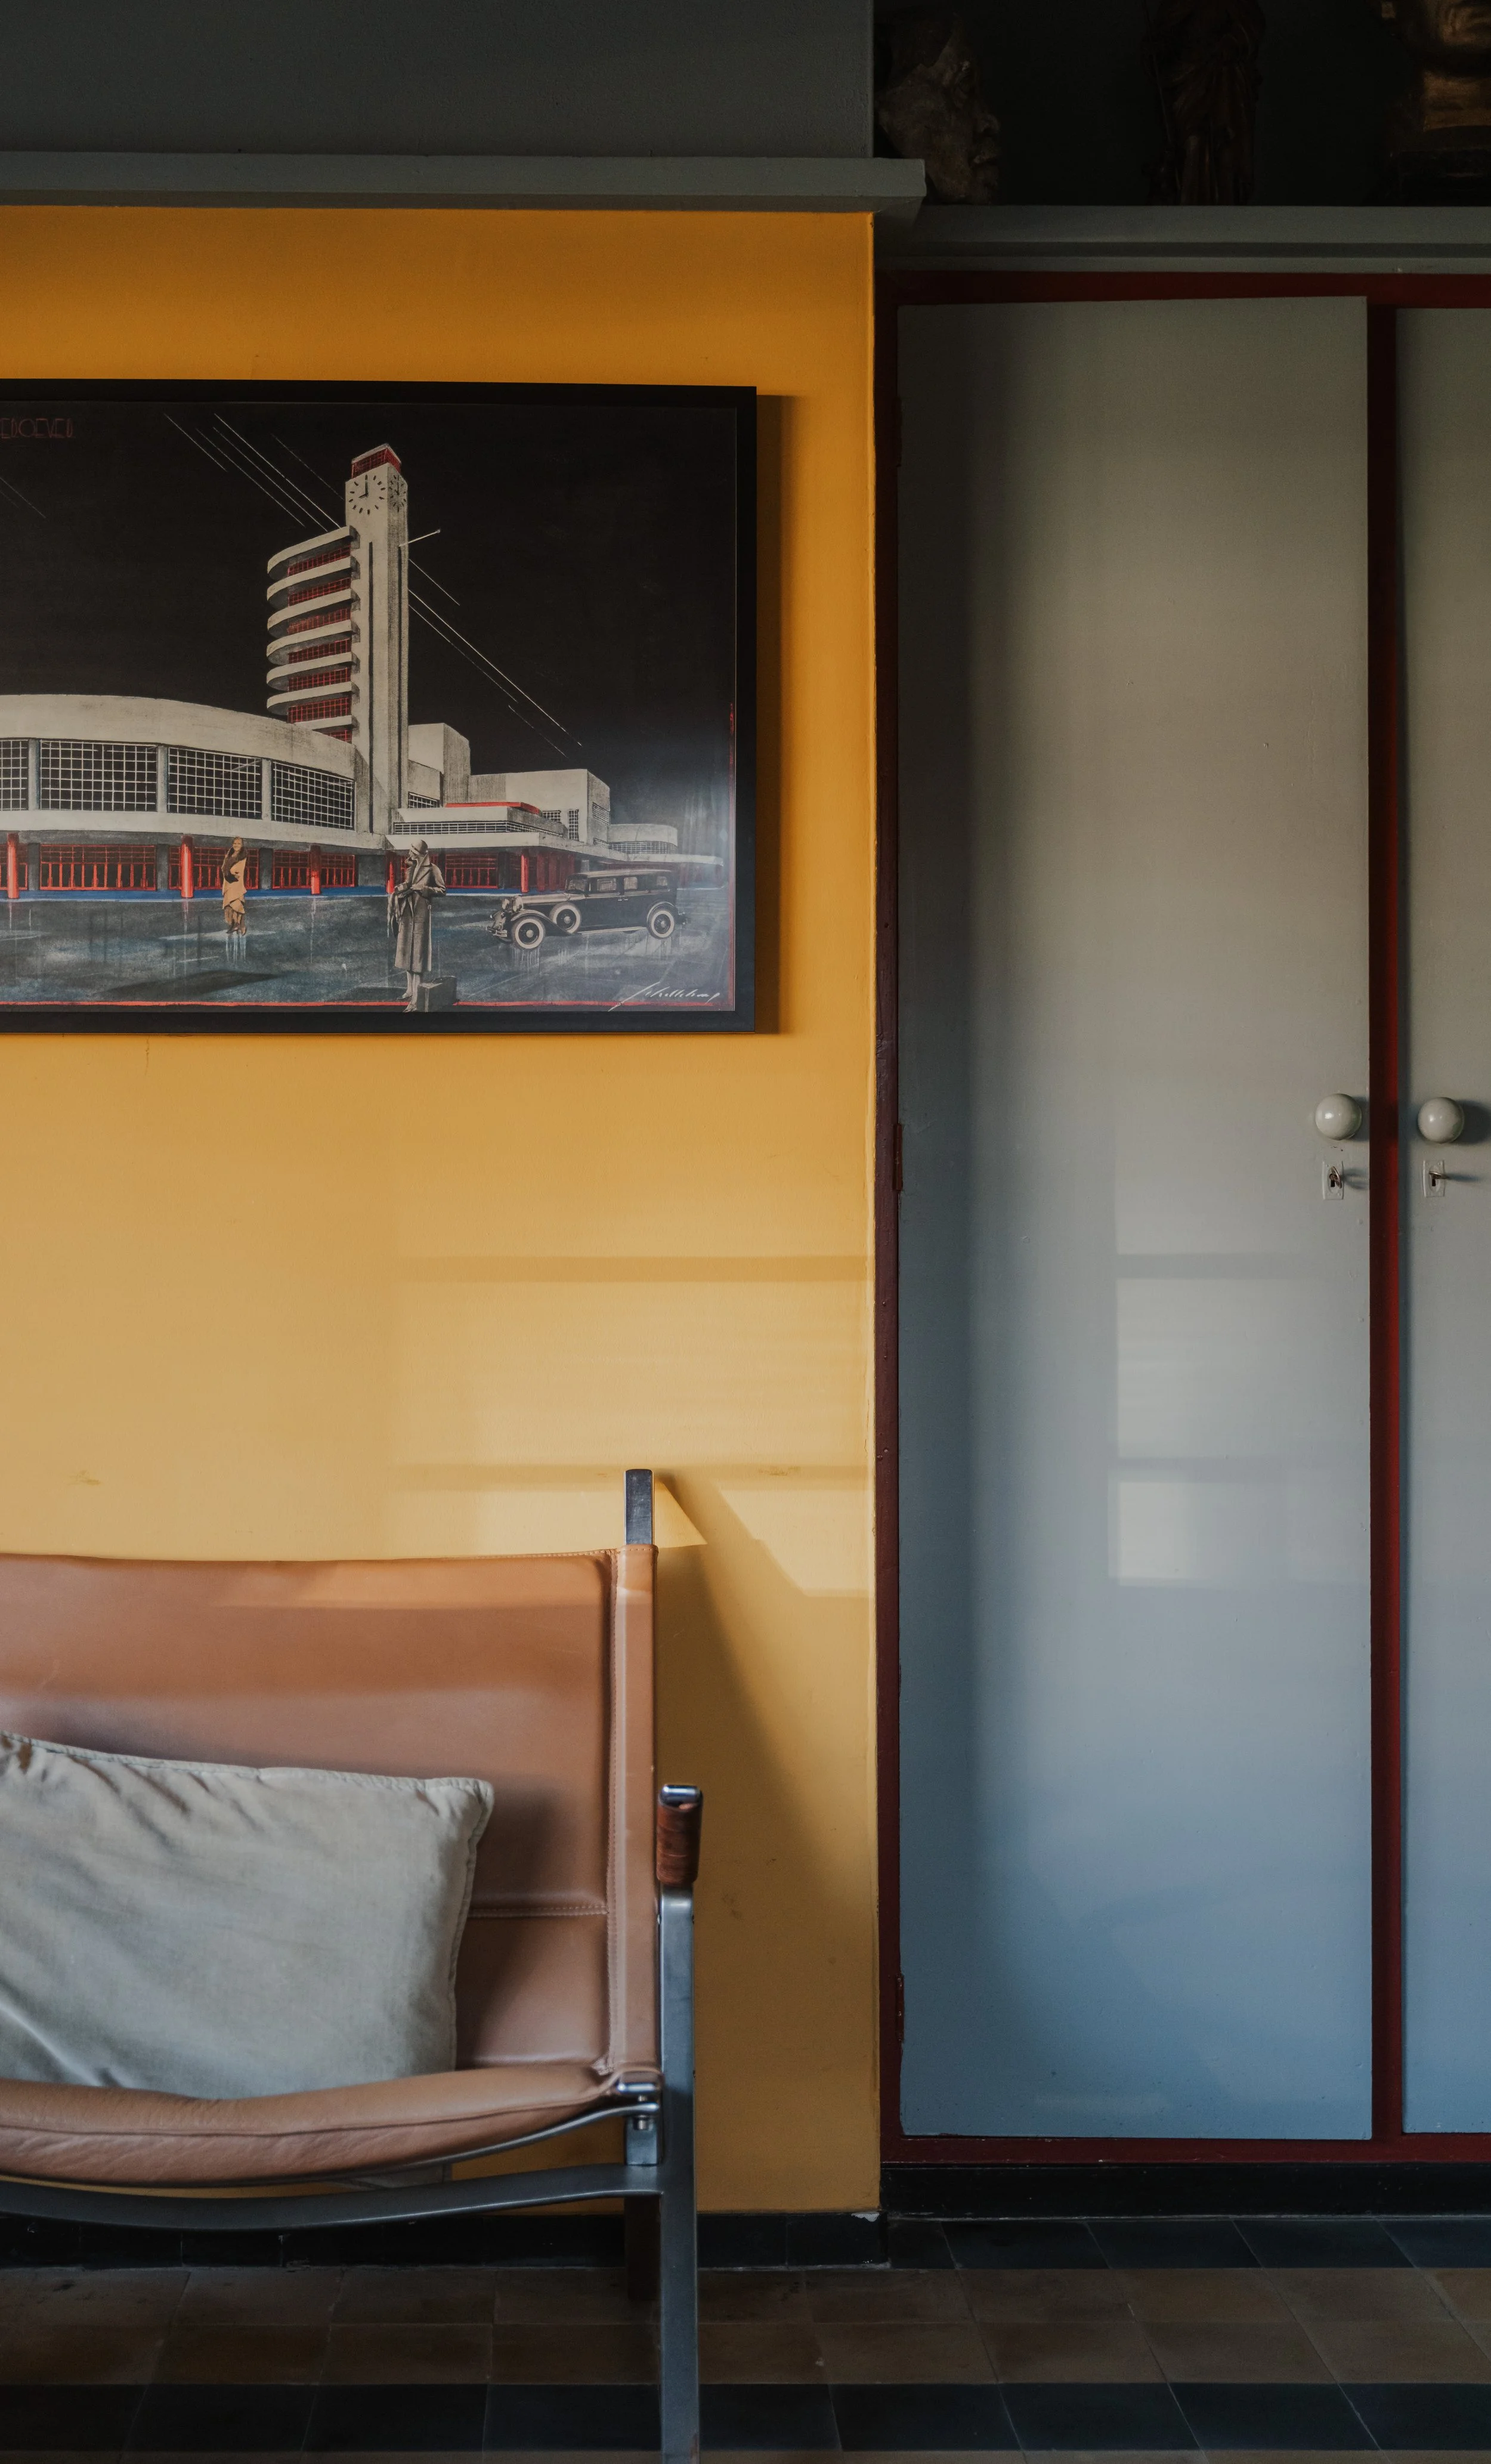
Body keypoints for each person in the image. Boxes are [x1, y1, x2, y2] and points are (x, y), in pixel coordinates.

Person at [390, 839, 446, 1003]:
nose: (409, 854)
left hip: (421, 915)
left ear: (419, 853)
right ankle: (409, 990)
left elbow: (443, 890)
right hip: (407, 913)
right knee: (407, 953)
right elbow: (409, 884)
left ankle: (417, 995)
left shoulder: (433, 870)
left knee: (418, 956)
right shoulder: (411, 868)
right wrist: (400, 888)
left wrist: (425, 889)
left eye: (412, 851)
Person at [221, 837, 250, 950]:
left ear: (242, 845)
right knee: (229, 906)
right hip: (228, 883)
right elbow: (224, 868)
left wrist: (231, 873)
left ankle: (242, 926)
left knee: (238, 905)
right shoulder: (229, 855)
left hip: (236, 883)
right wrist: (228, 873)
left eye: (239, 843)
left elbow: (238, 871)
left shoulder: (243, 856)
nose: (236, 845)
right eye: (235, 843)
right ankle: (234, 925)